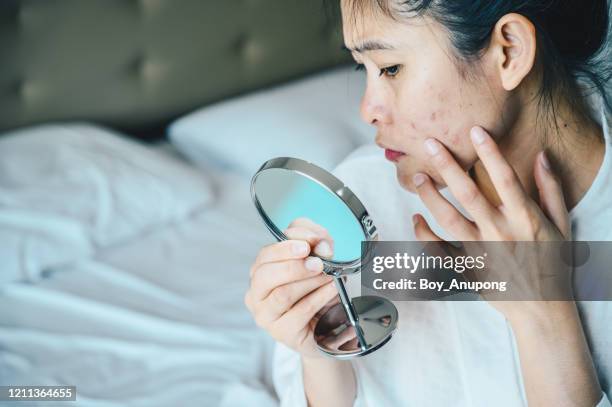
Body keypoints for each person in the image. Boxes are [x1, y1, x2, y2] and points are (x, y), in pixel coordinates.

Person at [244, 0, 612, 405]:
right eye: (360, 68)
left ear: (510, 51)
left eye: (390, 67)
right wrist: (320, 358)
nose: (367, 111)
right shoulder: (356, 204)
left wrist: (546, 318)